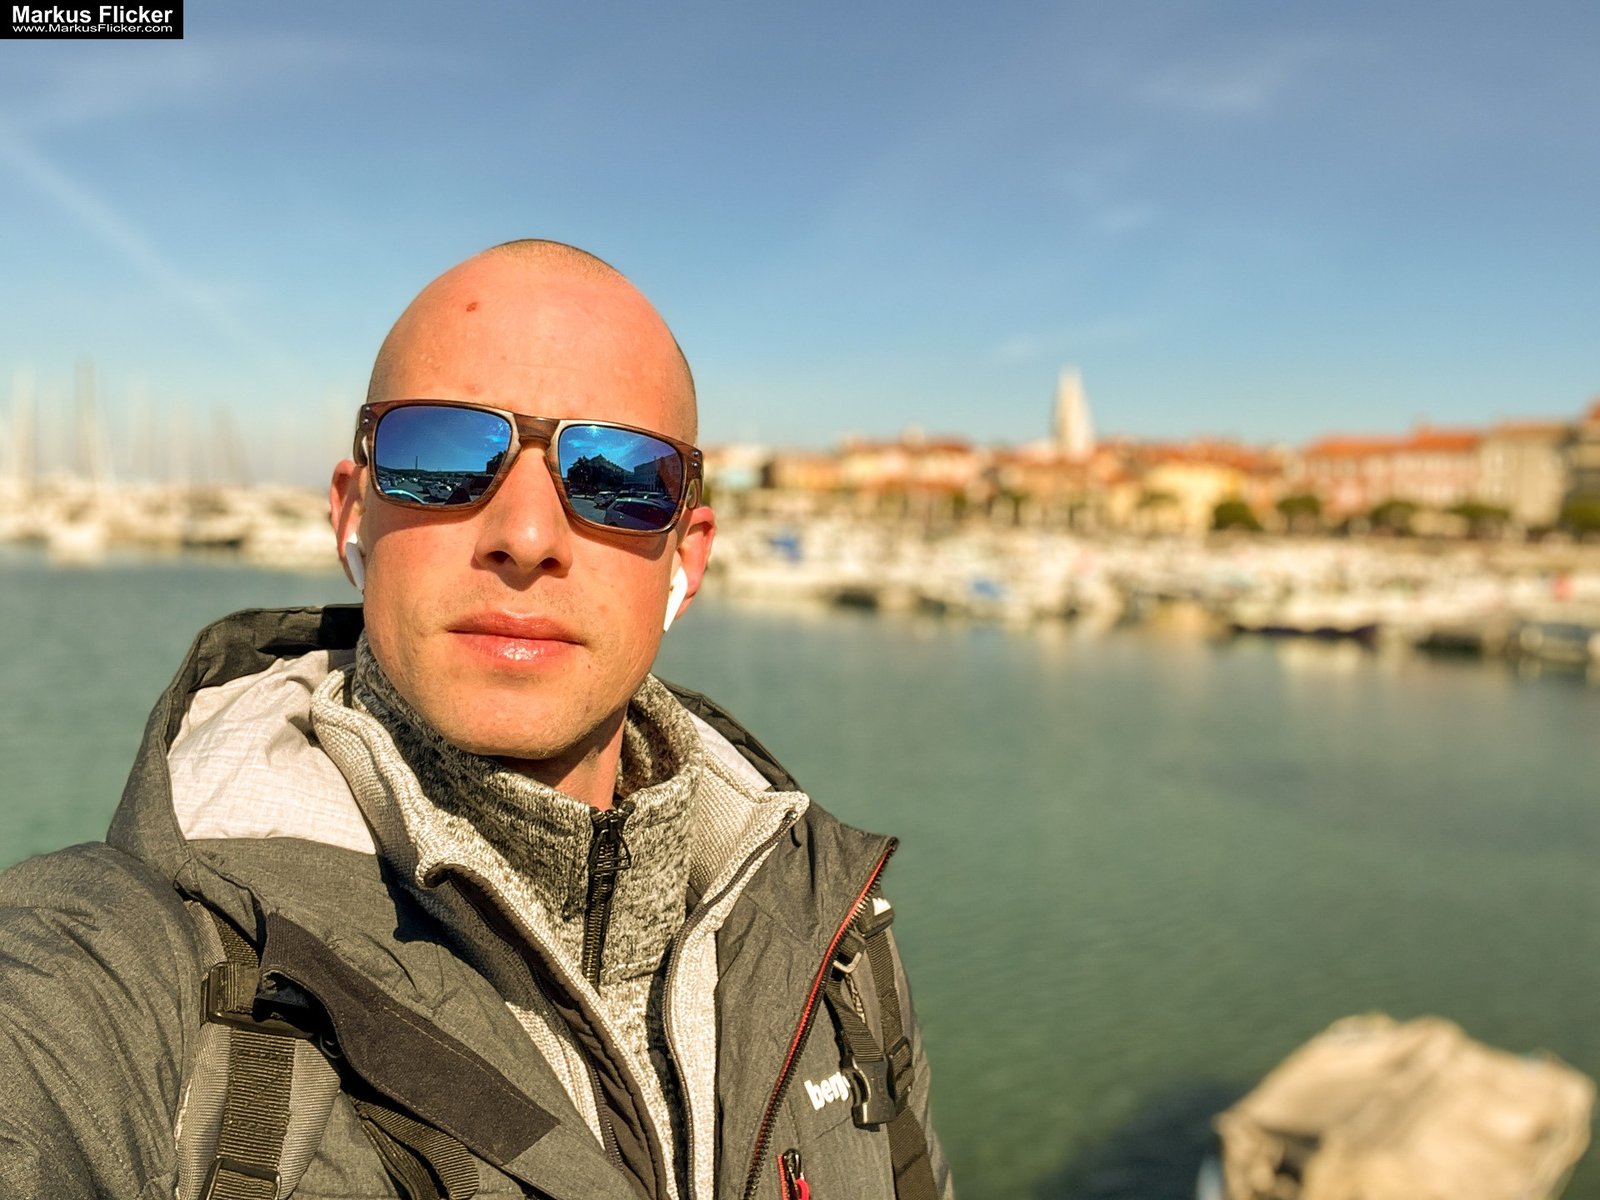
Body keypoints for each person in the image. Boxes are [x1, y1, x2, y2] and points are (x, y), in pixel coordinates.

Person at [0, 240, 952, 1200]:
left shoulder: (835, 942)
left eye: (616, 478)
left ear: (686, 559)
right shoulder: (124, 969)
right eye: (445, 456)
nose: (526, 538)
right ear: (352, 516)